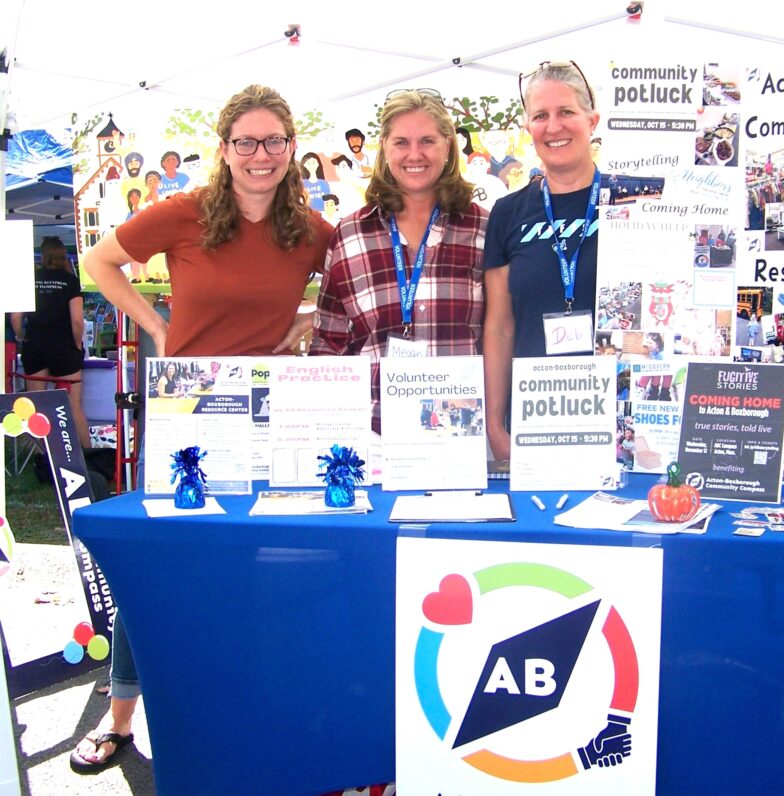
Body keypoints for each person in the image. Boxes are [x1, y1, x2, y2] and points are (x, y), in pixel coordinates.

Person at [70, 84, 333, 774]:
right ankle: (122, 717)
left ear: (291, 148)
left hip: (272, 413)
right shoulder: (185, 213)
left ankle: (244, 706)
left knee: (258, 562)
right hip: (188, 412)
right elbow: (98, 263)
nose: (261, 154)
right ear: (223, 150)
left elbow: (348, 280)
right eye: (245, 141)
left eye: (274, 139)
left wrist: (307, 320)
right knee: (158, 562)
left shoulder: (308, 228)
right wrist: (156, 325)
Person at [311, 89, 487, 432]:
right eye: (402, 142)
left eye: (427, 141)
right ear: (385, 148)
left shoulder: (485, 229)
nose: (415, 154)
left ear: (448, 146)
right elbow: (328, 344)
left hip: (461, 433)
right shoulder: (350, 235)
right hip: (371, 437)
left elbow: (501, 334)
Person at [483, 60, 601, 461]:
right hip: (533, 422)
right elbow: (499, 325)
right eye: (540, 116)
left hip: (615, 420)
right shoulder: (507, 213)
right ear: (528, 129)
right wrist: (496, 424)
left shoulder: (632, 205)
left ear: (592, 120)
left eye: (566, 112)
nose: (554, 127)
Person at [10, 236, 90, 448]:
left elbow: (16, 317)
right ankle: (89, 456)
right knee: (73, 406)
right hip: (63, 345)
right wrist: (77, 344)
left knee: (36, 405)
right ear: (63, 255)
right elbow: (76, 320)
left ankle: (41, 456)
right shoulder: (71, 281)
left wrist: (21, 337)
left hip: (35, 343)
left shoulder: (30, 280)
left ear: (43, 255)